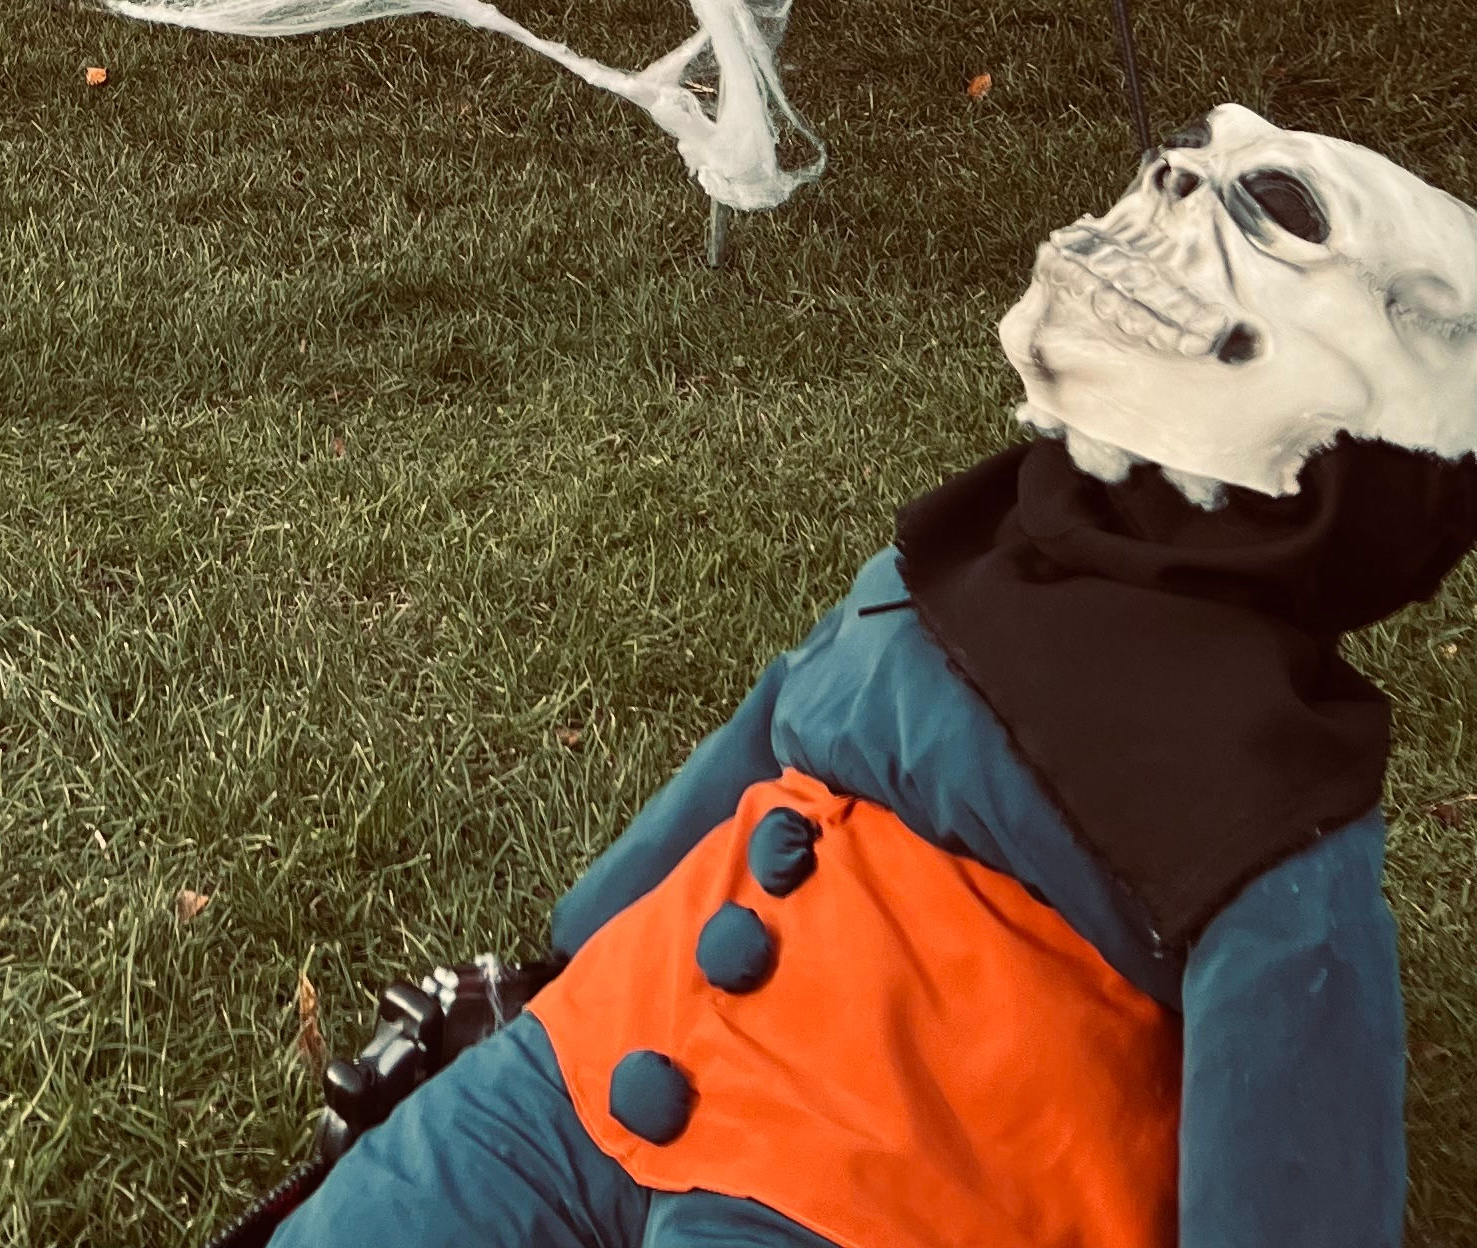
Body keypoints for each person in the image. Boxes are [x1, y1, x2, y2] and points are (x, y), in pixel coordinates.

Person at [273, 108, 1477, 1248]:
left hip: (885, 1192)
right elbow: (766, 737)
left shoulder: (1270, 806)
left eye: (1274, 206)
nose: (1169, 179)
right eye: (1190, 151)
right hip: (600, 1052)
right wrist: (563, 963)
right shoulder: (961, 559)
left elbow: (1293, 1169)